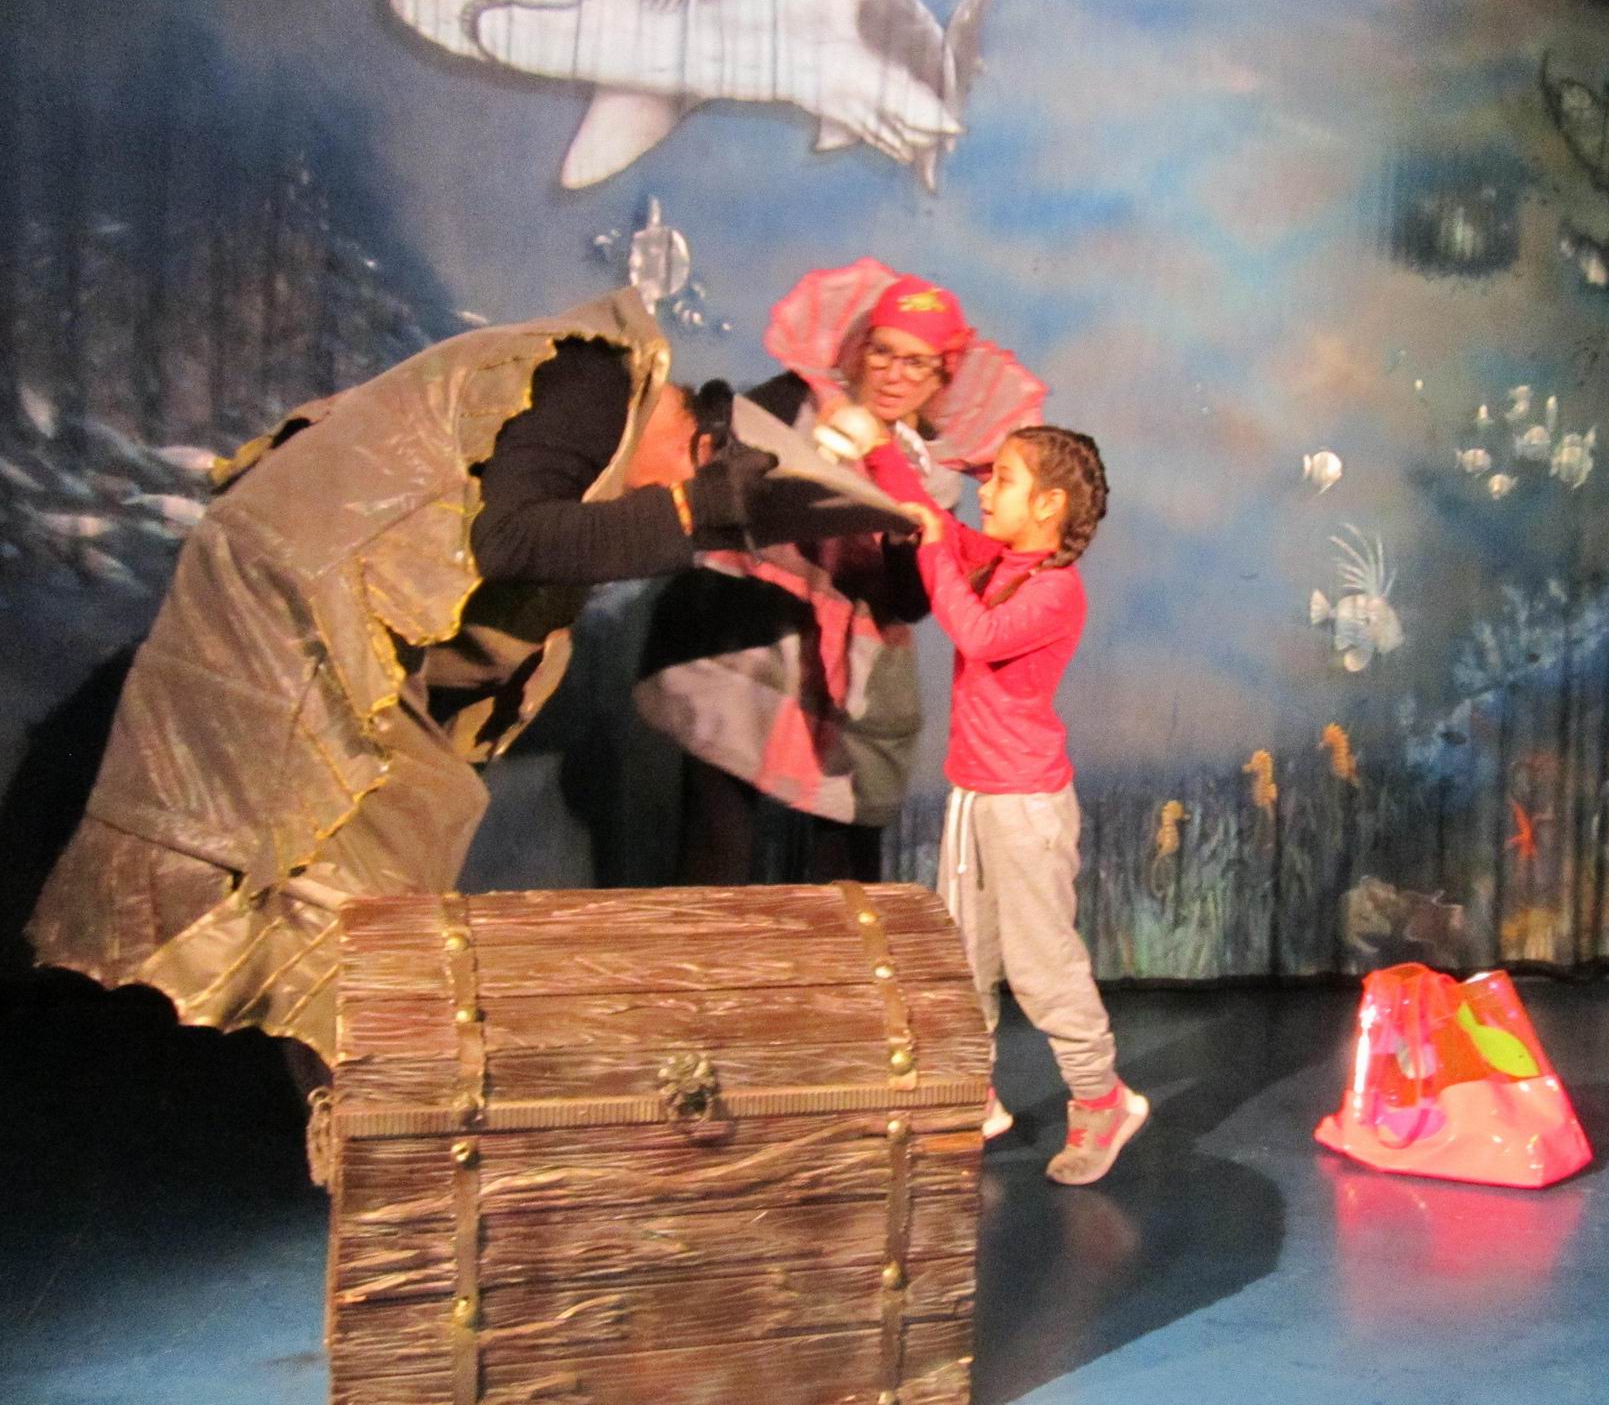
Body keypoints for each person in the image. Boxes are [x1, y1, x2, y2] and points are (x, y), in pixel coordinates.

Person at [25, 289, 777, 1062]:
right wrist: (687, 513)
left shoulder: (583, 385)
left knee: (391, 840)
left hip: (321, 601)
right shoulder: (596, 378)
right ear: (703, 441)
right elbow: (507, 538)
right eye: (678, 484)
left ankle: (346, 1073)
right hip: (297, 601)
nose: (643, 500)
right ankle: (363, 1080)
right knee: (355, 876)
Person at [636, 261, 1044, 886]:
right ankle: (709, 951)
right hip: (750, 641)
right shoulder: (792, 403)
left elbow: (912, 601)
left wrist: (909, 540)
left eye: (917, 363)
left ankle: (852, 952)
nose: (894, 374)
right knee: (718, 844)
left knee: (847, 856)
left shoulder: (930, 472)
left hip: (848, 670)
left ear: (942, 375)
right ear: (860, 350)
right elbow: (713, 476)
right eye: (884, 352)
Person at [867, 421, 1148, 1186]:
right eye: (988, 477)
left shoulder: (1055, 589)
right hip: (975, 796)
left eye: (1005, 480)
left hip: (1025, 807)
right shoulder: (998, 560)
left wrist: (934, 547)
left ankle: (1102, 1100)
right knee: (963, 961)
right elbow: (926, 514)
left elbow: (978, 634)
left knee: (1042, 967)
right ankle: (975, 1098)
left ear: (1049, 504)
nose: (986, 492)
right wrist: (878, 443)